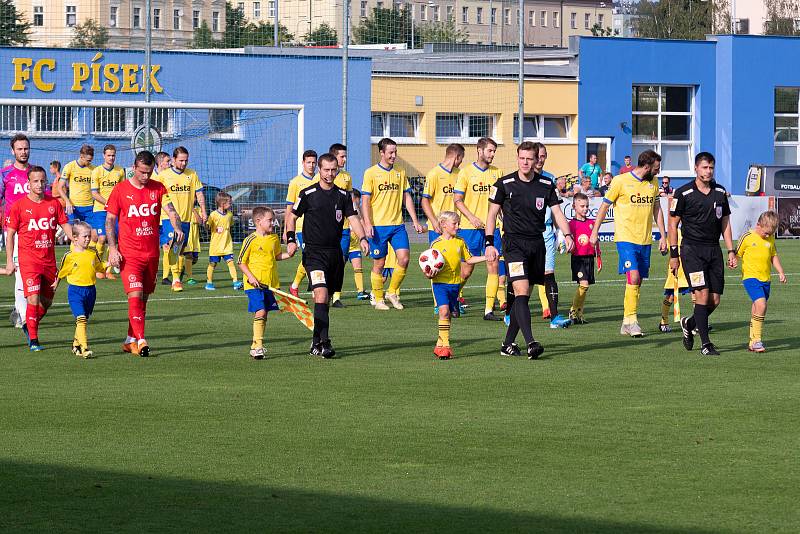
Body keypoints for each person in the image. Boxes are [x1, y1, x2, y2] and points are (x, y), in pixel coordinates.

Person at [485, 142, 574, 360]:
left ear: (536, 161)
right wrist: (489, 243)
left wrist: (568, 234)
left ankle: (507, 343)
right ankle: (531, 342)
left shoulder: (546, 184)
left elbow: (557, 212)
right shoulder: (504, 184)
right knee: (522, 291)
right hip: (513, 244)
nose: (525, 162)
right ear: (517, 158)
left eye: (529, 159)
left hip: (537, 245)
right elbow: (491, 215)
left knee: (522, 297)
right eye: (521, 158)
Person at [287, 152, 370, 357]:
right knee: (321, 294)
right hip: (313, 253)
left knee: (324, 299)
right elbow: (290, 217)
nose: (330, 174)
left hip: (335, 254)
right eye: (326, 170)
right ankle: (325, 343)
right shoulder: (308, 193)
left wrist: (362, 238)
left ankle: (315, 342)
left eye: (334, 170)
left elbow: (353, 219)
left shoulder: (343, 196)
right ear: (319, 170)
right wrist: (290, 239)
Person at [106, 150, 184, 358]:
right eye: (142, 172)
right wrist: (113, 248)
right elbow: (110, 221)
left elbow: (172, 211)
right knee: (135, 295)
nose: (145, 177)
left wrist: (177, 227)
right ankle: (141, 340)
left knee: (144, 298)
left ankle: (130, 339)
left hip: (151, 254)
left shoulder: (158, 188)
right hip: (129, 254)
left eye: (149, 173)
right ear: (134, 168)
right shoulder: (120, 190)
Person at [590, 150, 667, 338]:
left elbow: (657, 209)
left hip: (645, 239)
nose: (658, 172)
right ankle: (633, 321)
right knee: (633, 277)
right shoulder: (620, 181)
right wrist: (594, 231)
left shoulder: (653, 183)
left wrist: (663, 236)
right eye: (656, 168)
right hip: (625, 238)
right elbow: (604, 207)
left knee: (638, 280)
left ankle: (626, 322)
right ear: (647, 167)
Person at [669, 152, 736, 356]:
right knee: (702, 295)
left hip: (713, 250)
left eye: (711, 167)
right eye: (705, 167)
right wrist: (674, 255)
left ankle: (689, 323)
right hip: (691, 251)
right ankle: (706, 344)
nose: (708, 171)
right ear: (696, 169)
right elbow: (673, 225)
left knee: (714, 300)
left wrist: (731, 250)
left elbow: (725, 222)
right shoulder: (683, 193)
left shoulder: (720, 192)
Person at [4, 166, 72, 351]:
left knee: (46, 302)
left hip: (49, 260)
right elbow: (10, 235)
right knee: (32, 299)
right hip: (29, 260)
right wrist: (10, 260)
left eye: (42, 181)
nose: (40, 184)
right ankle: (34, 340)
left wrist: (74, 238)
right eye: (35, 181)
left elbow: (64, 223)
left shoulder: (54, 203)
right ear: (28, 183)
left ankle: (29, 325)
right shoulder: (19, 206)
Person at [361, 138, 423, 311]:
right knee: (379, 264)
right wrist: (367, 223)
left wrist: (416, 221)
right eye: (390, 152)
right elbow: (365, 201)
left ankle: (392, 292)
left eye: (395, 152)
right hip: (378, 226)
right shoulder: (371, 173)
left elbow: (407, 197)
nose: (394, 155)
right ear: (381, 153)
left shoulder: (400, 172)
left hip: (397, 225)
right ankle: (379, 299)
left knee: (404, 258)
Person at [454, 137, 505, 321]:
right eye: (490, 151)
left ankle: (488, 310)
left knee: (493, 264)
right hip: (470, 228)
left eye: (494, 151)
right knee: (466, 270)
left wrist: (504, 218)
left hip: (492, 229)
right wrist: (471, 217)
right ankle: (453, 298)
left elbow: (501, 201)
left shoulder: (497, 173)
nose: (492, 155)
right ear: (479, 150)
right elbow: (457, 200)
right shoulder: (466, 173)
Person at [426, 211, 486, 360]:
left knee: (450, 315)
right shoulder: (436, 244)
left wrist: (486, 257)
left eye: (458, 223)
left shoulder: (460, 241)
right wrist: (429, 273)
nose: (458, 226)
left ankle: (440, 342)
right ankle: (446, 346)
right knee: (444, 311)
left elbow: (469, 259)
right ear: (444, 225)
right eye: (455, 224)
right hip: (440, 284)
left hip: (455, 286)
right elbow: (428, 264)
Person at [237, 207, 294, 359]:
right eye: (270, 220)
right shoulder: (250, 240)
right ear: (258, 221)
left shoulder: (274, 238)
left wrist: (290, 254)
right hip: (254, 285)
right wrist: (251, 277)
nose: (273, 223)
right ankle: (259, 347)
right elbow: (241, 262)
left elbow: (276, 255)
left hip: (271, 284)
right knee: (260, 311)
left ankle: (254, 345)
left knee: (264, 314)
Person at [52, 221, 110, 358]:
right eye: (85, 236)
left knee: (83, 320)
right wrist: (56, 284)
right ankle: (84, 349)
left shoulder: (92, 253)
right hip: (75, 291)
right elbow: (62, 272)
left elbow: (99, 268)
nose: (88, 239)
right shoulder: (69, 256)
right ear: (75, 237)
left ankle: (75, 344)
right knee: (81, 318)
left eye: (89, 236)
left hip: (90, 291)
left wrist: (108, 264)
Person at [736, 210, 787, 353]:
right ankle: (758, 340)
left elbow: (773, 256)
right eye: (765, 233)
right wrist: (732, 260)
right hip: (750, 277)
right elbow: (737, 253)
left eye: (770, 234)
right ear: (758, 225)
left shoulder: (770, 239)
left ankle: (752, 342)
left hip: (766, 280)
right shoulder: (747, 236)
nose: (767, 236)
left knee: (757, 308)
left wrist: (781, 271)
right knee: (761, 304)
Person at [156, 147, 207, 292]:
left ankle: (177, 274)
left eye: (186, 160)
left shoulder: (192, 174)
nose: (184, 163)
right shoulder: (163, 176)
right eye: (181, 160)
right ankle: (176, 280)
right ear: (173, 160)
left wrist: (203, 211)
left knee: (180, 249)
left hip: (185, 219)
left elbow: (199, 194)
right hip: (169, 218)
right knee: (172, 244)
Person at [533, 142, 571, 328]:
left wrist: (562, 233)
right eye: (538, 155)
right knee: (522, 277)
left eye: (544, 156)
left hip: (546, 232)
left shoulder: (550, 179)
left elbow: (555, 209)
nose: (541, 159)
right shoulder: (521, 179)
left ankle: (554, 316)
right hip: (526, 234)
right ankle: (510, 314)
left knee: (549, 274)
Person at [1, 134, 33, 330]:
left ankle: (21, 309)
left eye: (26, 148)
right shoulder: (5, 174)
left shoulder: (36, 174)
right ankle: (22, 314)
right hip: (14, 230)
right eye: (19, 149)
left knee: (33, 272)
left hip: (36, 230)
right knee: (20, 272)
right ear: (13, 151)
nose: (23, 152)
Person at [285, 150, 318, 298]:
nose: (311, 165)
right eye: (308, 162)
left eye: (313, 162)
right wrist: (287, 231)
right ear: (303, 163)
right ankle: (308, 285)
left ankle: (295, 286)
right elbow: (289, 208)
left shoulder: (319, 180)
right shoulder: (295, 182)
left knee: (313, 256)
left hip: (318, 227)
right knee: (309, 255)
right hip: (301, 227)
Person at [89, 144, 125, 277]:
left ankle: (108, 270)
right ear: (104, 155)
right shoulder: (97, 171)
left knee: (114, 239)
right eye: (109, 155)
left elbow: (122, 190)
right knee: (102, 238)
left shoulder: (120, 171)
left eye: (113, 155)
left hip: (115, 210)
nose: (111, 158)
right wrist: (109, 203)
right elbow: (94, 193)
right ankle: (98, 268)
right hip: (100, 209)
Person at [327, 143, 355, 308]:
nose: (344, 159)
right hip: (326, 228)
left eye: (345, 156)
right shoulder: (323, 176)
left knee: (341, 261)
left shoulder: (346, 177)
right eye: (342, 156)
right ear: (334, 157)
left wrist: (356, 222)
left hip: (343, 227)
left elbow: (351, 202)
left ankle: (336, 296)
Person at [568, 192, 602, 324]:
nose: (585, 209)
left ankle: (579, 313)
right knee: (584, 284)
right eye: (582, 206)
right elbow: (567, 240)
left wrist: (598, 257)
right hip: (578, 258)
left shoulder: (592, 223)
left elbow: (596, 241)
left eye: (587, 206)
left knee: (586, 287)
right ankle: (573, 311)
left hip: (589, 258)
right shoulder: (571, 224)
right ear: (574, 207)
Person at [421, 144, 465, 245]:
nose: (461, 162)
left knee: (457, 259)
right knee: (438, 259)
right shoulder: (434, 174)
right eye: (461, 159)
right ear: (457, 157)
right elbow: (425, 201)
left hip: (455, 226)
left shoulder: (460, 174)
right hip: (438, 227)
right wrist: (434, 221)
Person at [205, 191, 242, 291]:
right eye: (229, 203)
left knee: (231, 262)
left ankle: (235, 282)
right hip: (215, 246)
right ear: (222, 204)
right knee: (213, 264)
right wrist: (205, 223)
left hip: (227, 245)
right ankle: (209, 283)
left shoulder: (229, 215)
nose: (231, 204)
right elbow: (207, 227)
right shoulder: (213, 215)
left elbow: (230, 225)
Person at [58, 145, 96, 232]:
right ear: (81, 156)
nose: (90, 162)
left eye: (91, 160)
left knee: (91, 236)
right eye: (88, 160)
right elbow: (60, 187)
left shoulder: (94, 169)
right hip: (73, 207)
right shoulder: (69, 166)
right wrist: (67, 202)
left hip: (89, 207)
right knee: (75, 236)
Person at [659, 229, 689, 334]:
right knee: (671, 296)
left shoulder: (692, 227)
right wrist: (663, 249)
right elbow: (665, 250)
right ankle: (664, 321)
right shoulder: (674, 231)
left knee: (697, 294)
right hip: (676, 268)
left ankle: (699, 323)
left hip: (691, 265)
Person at [345, 189, 369, 300]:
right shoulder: (343, 207)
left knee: (358, 268)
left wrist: (365, 238)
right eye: (357, 200)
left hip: (354, 245)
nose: (358, 203)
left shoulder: (358, 212)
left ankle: (360, 292)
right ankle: (335, 294)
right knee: (337, 269)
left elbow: (362, 223)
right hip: (343, 244)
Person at [153, 151, 173, 286]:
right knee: (153, 249)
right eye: (168, 161)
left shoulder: (170, 176)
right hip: (153, 218)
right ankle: (152, 274)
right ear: (160, 163)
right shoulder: (152, 177)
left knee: (167, 245)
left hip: (165, 218)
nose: (170, 164)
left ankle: (165, 277)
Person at [182, 205, 202, 284]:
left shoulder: (198, 209)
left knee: (195, 259)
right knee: (189, 256)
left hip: (195, 239)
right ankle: (189, 278)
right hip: (187, 236)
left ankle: (182, 269)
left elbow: (200, 222)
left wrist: (194, 211)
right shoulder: (183, 207)